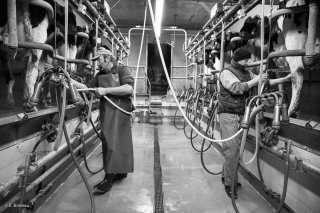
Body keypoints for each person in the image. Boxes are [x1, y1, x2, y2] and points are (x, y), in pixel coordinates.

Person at [217, 47, 291, 199]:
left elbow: (264, 81)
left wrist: (285, 79)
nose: (248, 62)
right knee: (232, 151)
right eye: (246, 59)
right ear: (238, 59)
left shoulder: (245, 72)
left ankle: (227, 177)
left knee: (234, 151)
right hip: (228, 116)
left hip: (240, 115)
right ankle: (229, 184)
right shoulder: (226, 72)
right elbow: (236, 88)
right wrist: (255, 80)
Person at [72, 47, 134, 194]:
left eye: (99, 59)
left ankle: (110, 177)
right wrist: (69, 80)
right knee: (109, 142)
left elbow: (128, 88)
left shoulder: (122, 69)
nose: (98, 64)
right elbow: (86, 88)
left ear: (107, 58)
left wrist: (106, 90)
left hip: (121, 111)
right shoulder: (100, 74)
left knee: (119, 143)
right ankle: (119, 172)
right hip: (108, 112)